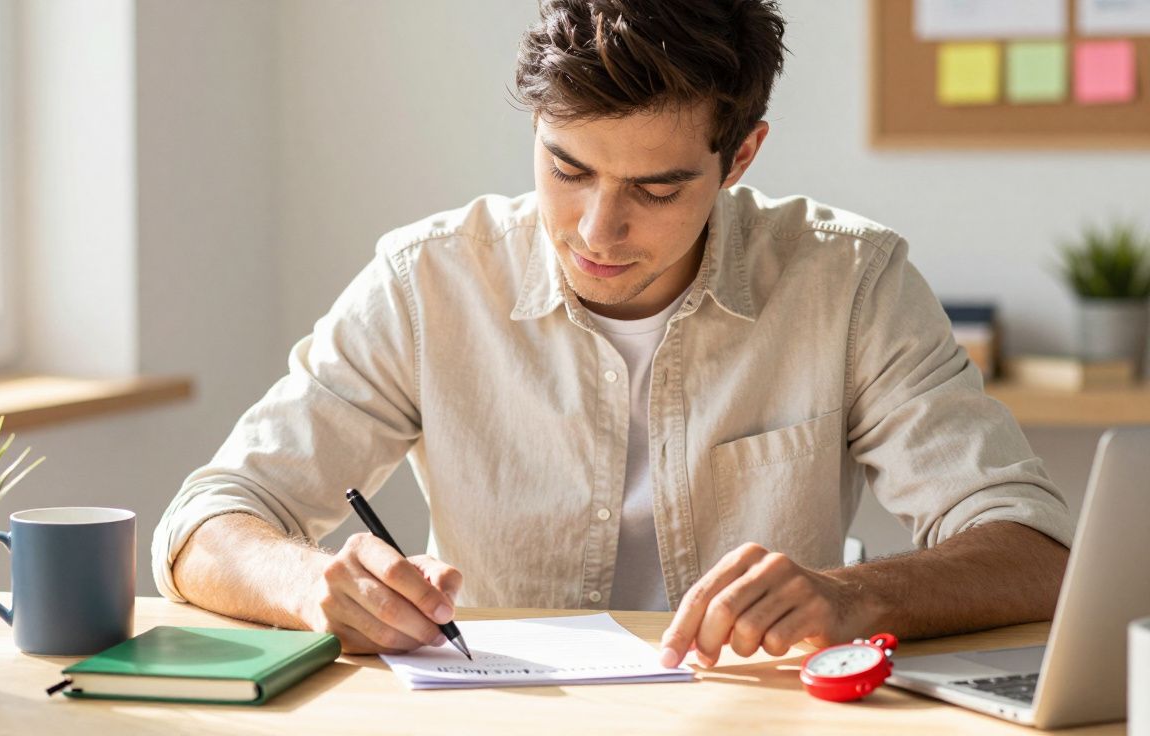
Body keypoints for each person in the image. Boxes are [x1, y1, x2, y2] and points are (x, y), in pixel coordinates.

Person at [151, 0, 1074, 669]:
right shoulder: (429, 281)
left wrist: (852, 596)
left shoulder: (850, 282)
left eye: (657, 189)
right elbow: (205, 522)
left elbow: (1034, 549)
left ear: (740, 155)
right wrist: (312, 587)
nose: (597, 230)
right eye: (567, 168)